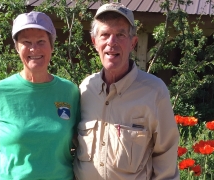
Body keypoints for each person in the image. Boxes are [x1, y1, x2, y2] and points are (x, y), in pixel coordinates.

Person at [73, 2, 180, 180]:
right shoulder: (86, 89)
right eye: (105, 34)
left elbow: (166, 158)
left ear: (133, 42)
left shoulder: (154, 92)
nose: (111, 42)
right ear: (94, 42)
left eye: (120, 34)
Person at [0, 11, 80, 180]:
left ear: (52, 45)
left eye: (41, 41)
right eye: (26, 42)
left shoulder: (69, 92)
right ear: (17, 48)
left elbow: (83, 144)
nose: (34, 49)